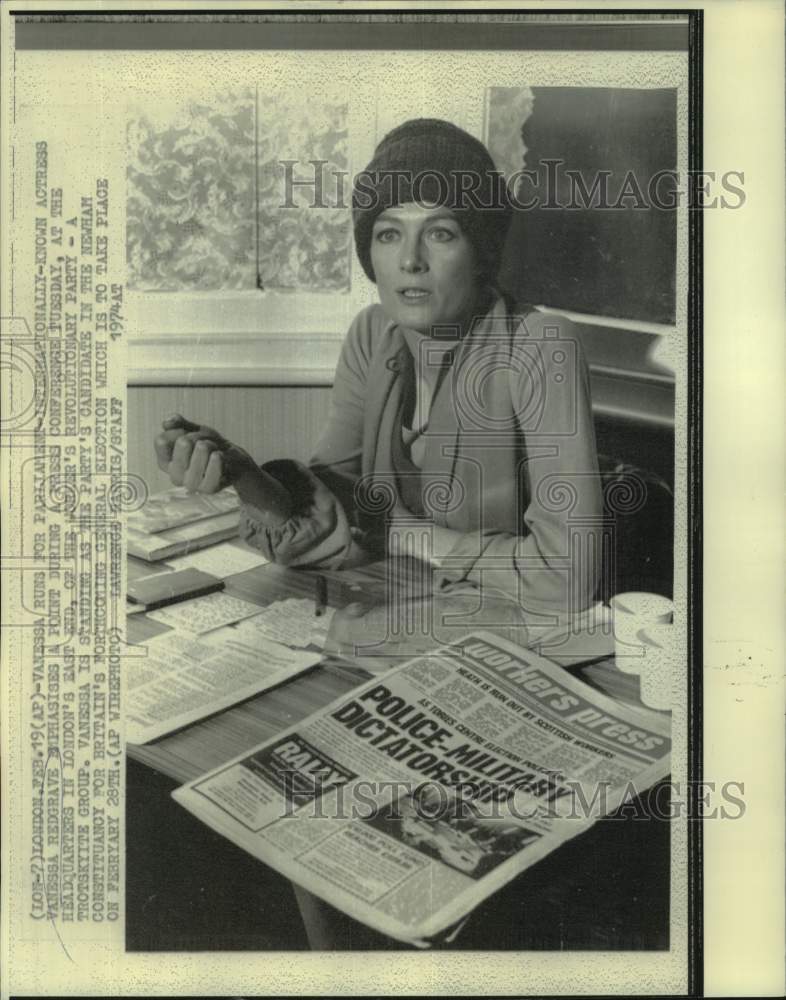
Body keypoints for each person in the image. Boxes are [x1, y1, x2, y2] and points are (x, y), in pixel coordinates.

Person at [154, 118, 602, 651]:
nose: (410, 261)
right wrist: (245, 475)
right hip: (403, 608)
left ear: (480, 251)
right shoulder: (373, 334)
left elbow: (569, 578)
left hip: (510, 635)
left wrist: (404, 533)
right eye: (388, 233)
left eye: (440, 233)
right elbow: (332, 504)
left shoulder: (542, 346)